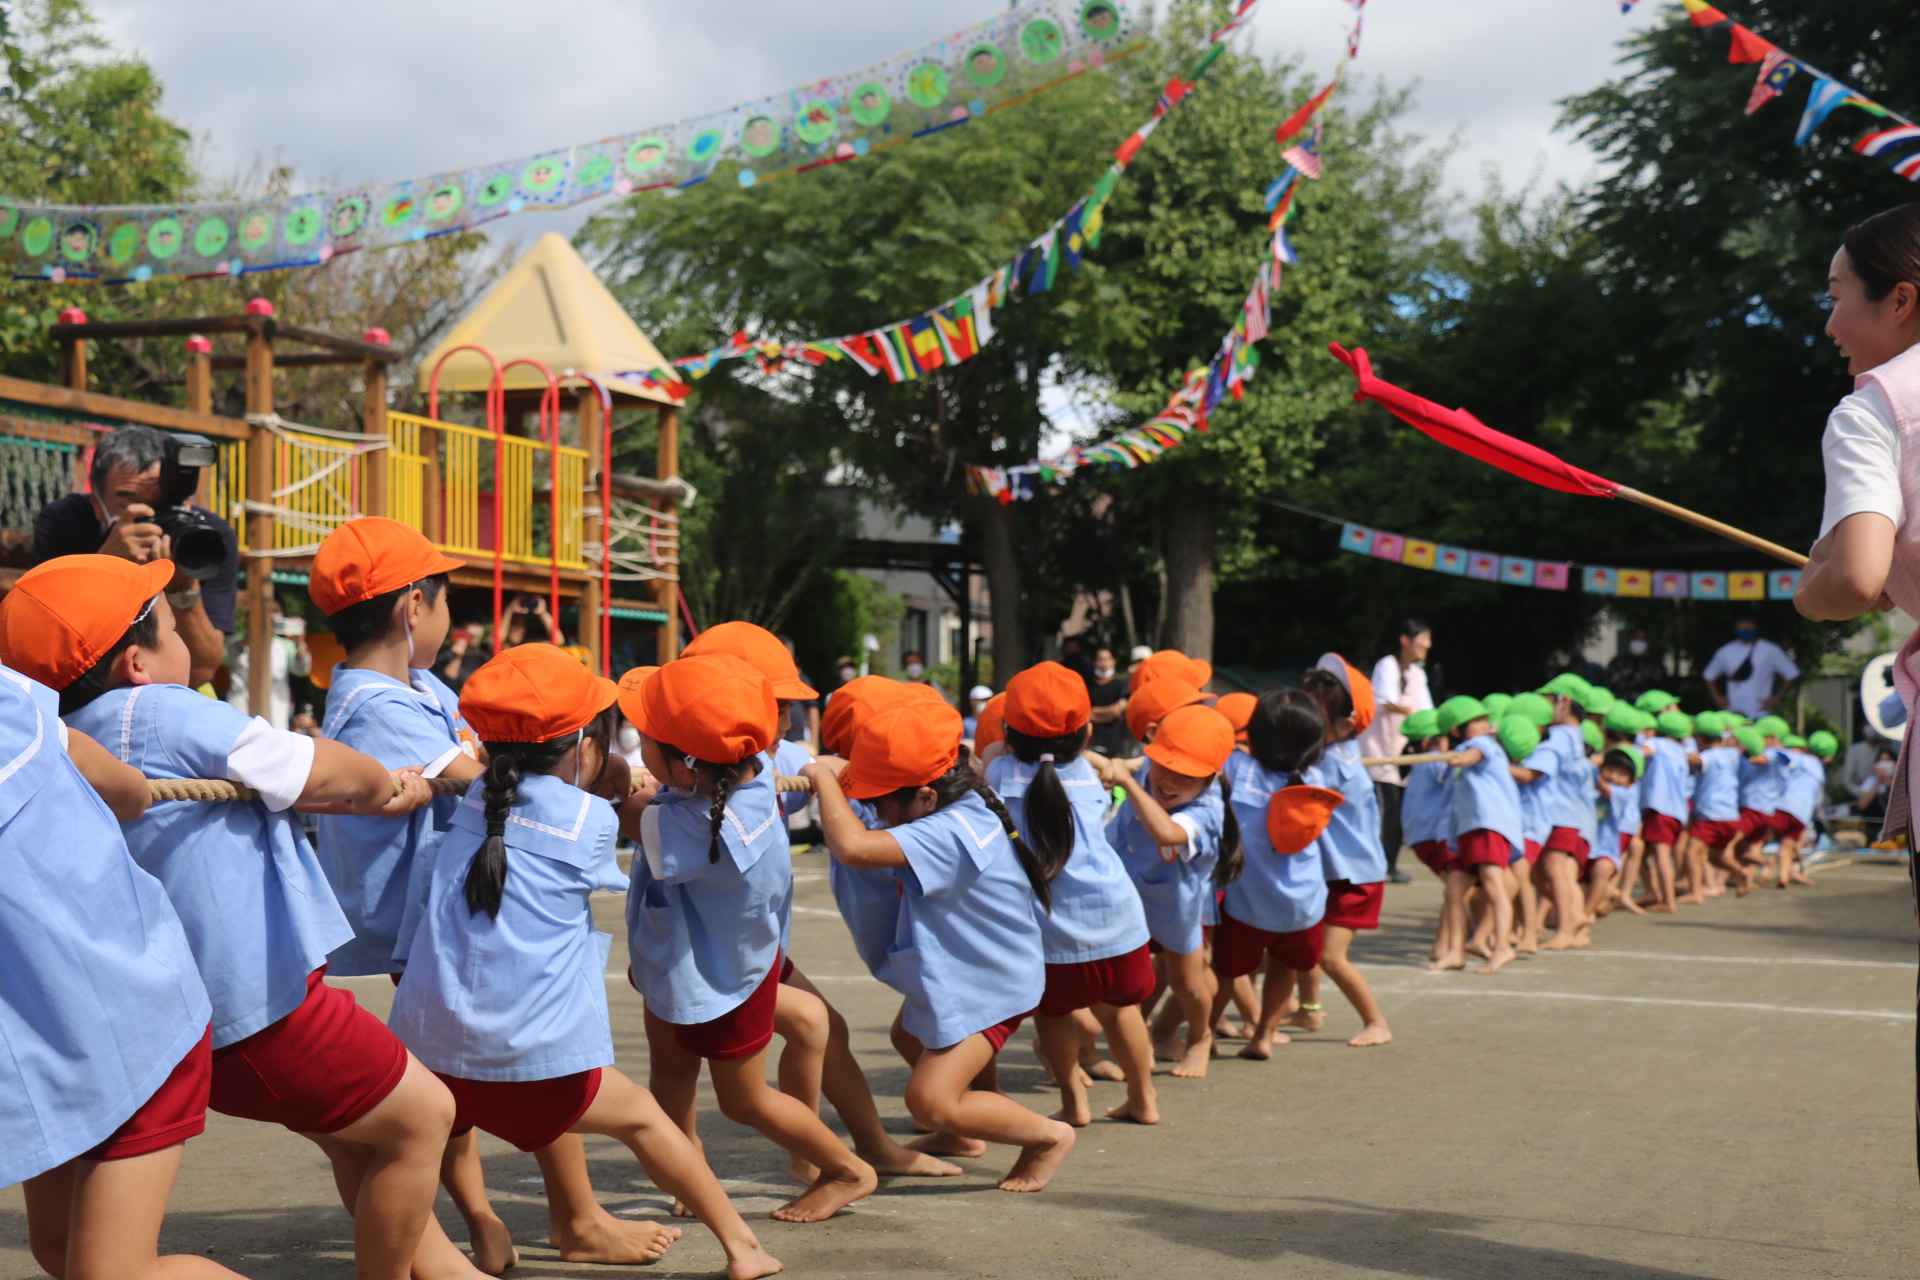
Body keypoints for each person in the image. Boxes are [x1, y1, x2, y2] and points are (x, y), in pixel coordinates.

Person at [0, 554, 488, 1280]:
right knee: (422, 1119)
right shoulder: (164, 708)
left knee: (356, 1136)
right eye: (171, 624)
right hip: (260, 1005)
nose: (189, 645)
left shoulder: (54, 733)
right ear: (137, 661)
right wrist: (376, 780)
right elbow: (307, 767)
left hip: (159, 1025)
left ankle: (450, 1271)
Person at [388, 644, 782, 1280]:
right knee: (650, 1123)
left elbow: (505, 796)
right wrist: (619, 779)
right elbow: (628, 817)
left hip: (432, 1056)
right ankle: (743, 1246)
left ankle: (485, 1235)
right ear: (582, 748)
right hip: (538, 1061)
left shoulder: (466, 803)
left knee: (448, 1129)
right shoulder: (590, 821)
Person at [1, 664, 250, 1280]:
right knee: (61, 1251)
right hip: (48, 1040)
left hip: (128, 1023)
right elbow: (121, 785)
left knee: (111, 1271)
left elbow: (117, 780)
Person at [619, 654, 878, 1223]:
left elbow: (632, 816)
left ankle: (847, 1169)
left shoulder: (706, 826)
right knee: (670, 1076)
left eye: (643, 737)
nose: (636, 743)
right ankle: (690, 1168)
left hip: (722, 981)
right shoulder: (749, 773)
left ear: (684, 768)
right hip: (677, 959)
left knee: (745, 1100)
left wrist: (619, 784)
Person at [803, 697, 1077, 1194]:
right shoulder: (963, 803)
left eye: (881, 801)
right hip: (976, 973)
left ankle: (1046, 1137)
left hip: (988, 988)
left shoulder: (947, 831)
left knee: (929, 1100)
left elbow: (853, 846)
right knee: (909, 1037)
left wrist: (824, 780)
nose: (877, 811)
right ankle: (960, 1134)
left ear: (926, 797)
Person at [988, 662, 1159, 1127]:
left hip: (1051, 929)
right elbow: (1071, 755)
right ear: (1085, 735)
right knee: (1124, 1011)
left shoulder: (999, 772)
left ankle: (1073, 1102)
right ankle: (1143, 1098)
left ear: (1009, 732)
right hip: (1119, 920)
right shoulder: (1089, 773)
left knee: (1055, 1014)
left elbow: (989, 751)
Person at [31, 423, 236, 687]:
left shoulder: (208, 538)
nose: (150, 516)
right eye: (128, 500)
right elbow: (40, 649)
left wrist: (183, 590)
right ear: (96, 504)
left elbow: (200, 671)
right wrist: (105, 565)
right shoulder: (65, 521)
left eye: (162, 503)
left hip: (172, 694)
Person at [1099, 703, 1240, 1077]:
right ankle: (1134, 1036)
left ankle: (1199, 1037)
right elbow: (1130, 765)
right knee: (1123, 977)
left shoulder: (1208, 810)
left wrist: (1127, 782)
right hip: (1126, 889)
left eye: (1186, 776)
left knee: (1187, 983)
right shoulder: (1150, 766)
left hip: (1175, 902)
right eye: (1164, 766)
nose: (1169, 781)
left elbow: (1168, 833)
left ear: (1210, 779)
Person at [1206, 689, 1336, 1056]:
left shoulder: (1237, 770)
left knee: (1226, 972)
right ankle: (1264, 1034)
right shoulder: (1317, 781)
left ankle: (1205, 1035)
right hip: (1304, 903)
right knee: (1285, 967)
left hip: (1249, 903)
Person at [1293, 657, 1393, 1048]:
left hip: (1356, 877)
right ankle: (1309, 1008)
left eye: (1310, 715)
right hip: (1337, 870)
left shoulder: (1330, 765)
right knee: (1306, 942)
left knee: (1330, 956)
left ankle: (1377, 1022)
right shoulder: (1334, 753)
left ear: (1345, 725)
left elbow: (1294, 783)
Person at [1432, 696, 1522, 975]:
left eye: (1484, 719)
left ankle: (1503, 947)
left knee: (1494, 884)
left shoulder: (1481, 745)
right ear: (1457, 730)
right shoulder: (1462, 751)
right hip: (1467, 830)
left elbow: (1473, 755)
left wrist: (1459, 758)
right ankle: (1456, 951)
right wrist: (1454, 758)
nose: (1484, 725)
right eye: (1476, 722)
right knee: (1454, 891)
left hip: (1488, 825)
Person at [1358, 618, 1433, 884]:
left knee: (1398, 809)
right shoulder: (1387, 666)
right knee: (1386, 807)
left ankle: (1389, 863)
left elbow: (1426, 711)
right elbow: (1384, 701)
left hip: (1403, 752)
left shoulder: (1418, 674)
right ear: (1406, 640)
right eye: (1423, 638)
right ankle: (1378, 864)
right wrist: (1410, 712)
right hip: (1380, 752)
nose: (1427, 644)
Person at [224, 595, 312, 729]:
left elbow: (302, 670)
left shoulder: (286, 645)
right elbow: (223, 657)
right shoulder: (237, 641)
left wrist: (299, 643)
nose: (271, 616)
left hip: (275, 718)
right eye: (267, 611)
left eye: (276, 611)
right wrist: (250, 638)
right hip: (239, 715)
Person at [1701, 615, 1800, 719]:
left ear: (1756, 627)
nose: (1746, 629)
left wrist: (1779, 696)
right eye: (1742, 626)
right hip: (1732, 714)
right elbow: (1709, 675)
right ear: (1735, 628)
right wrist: (1717, 698)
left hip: (1761, 714)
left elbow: (1792, 673)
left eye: (1749, 626)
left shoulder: (1770, 650)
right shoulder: (1725, 651)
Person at [1604, 627, 1669, 706]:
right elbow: (1610, 685)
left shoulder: (1655, 665)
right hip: (1622, 706)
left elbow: (1660, 687)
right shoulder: (1617, 663)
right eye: (1636, 638)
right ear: (1630, 640)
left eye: (1642, 639)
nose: (1638, 643)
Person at [1086, 647, 1131, 756]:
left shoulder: (1120, 685)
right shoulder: (1088, 686)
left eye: (1107, 659)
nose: (1103, 663)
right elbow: (1087, 714)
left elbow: (1117, 711)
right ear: (1095, 662)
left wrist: (1096, 712)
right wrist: (1110, 711)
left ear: (1113, 661)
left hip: (1115, 740)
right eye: (1100, 660)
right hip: (1092, 739)